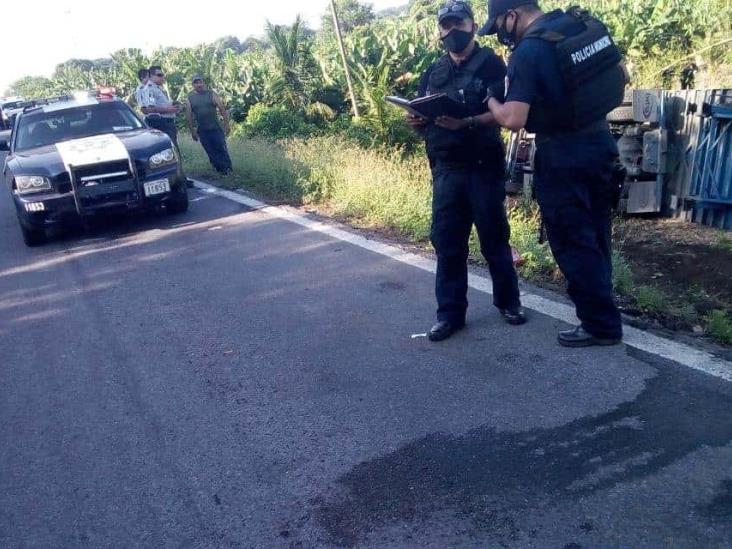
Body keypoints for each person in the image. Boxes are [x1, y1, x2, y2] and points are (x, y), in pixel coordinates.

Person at [480, 0, 627, 347]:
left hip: (564, 154)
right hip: (602, 144)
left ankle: (600, 325)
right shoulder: (578, 25)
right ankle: (604, 312)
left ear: (513, 16)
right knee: (596, 233)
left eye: (500, 24)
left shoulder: (529, 52)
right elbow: (623, 75)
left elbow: (514, 119)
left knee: (573, 241)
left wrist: (490, 102)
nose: (501, 32)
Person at [406, 0, 526, 343]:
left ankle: (509, 303)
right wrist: (415, 121)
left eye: (458, 23)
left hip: (482, 166)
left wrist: (467, 122)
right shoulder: (433, 72)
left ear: (473, 25)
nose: (452, 31)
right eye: (446, 26)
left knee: (494, 239)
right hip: (445, 170)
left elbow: (505, 114)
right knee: (447, 243)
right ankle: (449, 314)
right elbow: (422, 116)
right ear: (439, 31)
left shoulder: (492, 64)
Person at [185, 75, 233, 174]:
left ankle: (228, 170)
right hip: (202, 130)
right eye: (196, 83)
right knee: (210, 151)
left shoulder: (211, 94)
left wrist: (226, 124)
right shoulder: (190, 97)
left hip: (215, 128)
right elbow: (189, 116)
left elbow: (221, 108)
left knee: (221, 148)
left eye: (200, 82)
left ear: (203, 83)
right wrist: (192, 131)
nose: (199, 85)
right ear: (193, 85)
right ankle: (219, 170)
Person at [141, 65, 181, 147]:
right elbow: (149, 109)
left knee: (173, 148)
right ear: (151, 76)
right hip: (161, 123)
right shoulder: (149, 89)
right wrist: (168, 109)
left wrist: (173, 106)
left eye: (163, 75)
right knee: (169, 148)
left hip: (167, 123)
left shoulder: (158, 88)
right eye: (159, 75)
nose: (162, 77)